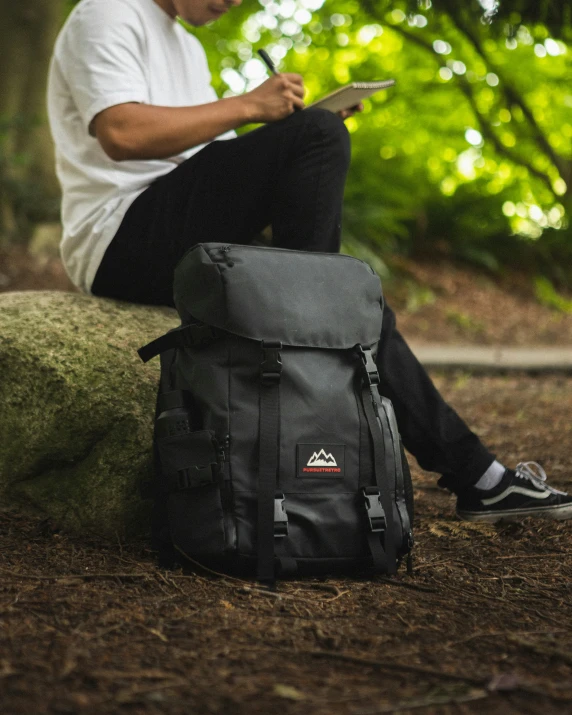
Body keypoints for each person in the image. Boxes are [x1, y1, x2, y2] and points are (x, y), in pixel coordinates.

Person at [47, 0, 572, 523]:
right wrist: (254, 109)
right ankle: (334, 401)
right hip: (121, 238)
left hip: (185, 231)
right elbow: (122, 134)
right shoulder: (108, 12)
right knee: (319, 179)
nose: (231, 2)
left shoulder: (185, 45)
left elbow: (220, 167)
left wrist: (297, 146)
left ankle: (478, 475)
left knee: (340, 295)